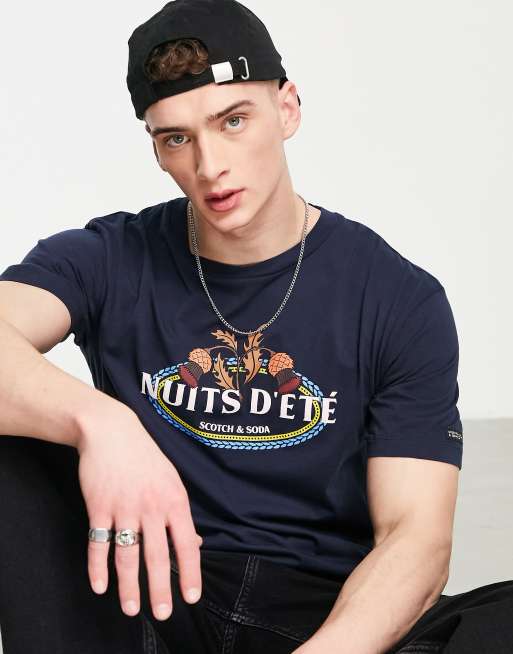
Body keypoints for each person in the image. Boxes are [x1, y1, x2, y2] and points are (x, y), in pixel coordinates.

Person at [0, 1, 512, 653]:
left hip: (321, 616)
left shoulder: (396, 298)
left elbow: (416, 538)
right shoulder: (106, 256)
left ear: (287, 109)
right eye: (176, 138)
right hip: (150, 598)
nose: (209, 164)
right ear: (157, 149)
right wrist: (100, 422)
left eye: (233, 120)